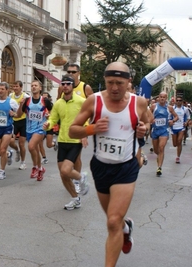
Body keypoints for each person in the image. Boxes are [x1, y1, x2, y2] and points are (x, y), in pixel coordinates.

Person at [69, 62, 150, 267]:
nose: (114, 87)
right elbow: (73, 130)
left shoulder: (138, 103)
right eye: (110, 82)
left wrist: (144, 128)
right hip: (101, 166)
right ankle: (126, 228)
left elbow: (149, 121)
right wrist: (92, 129)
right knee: (115, 220)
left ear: (128, 82)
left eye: (119, 83)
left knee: (112, 221)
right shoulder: (93, 101)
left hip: (126, 167)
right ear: (104, 81)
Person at [43, 75, 89, 210]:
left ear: (72, 86)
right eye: (63, 84)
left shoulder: (81, 101)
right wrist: (48, 124)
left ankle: (81, 177)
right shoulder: (58, 103)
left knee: (66, 169)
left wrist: (84, 132)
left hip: (75, 140)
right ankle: (75, 199)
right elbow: (53, 119)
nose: (65, 86)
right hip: (62, 140)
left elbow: (86, 118)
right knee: (63, 174)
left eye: (68, 84)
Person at [16, 80, 52, 181]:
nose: (33, 87)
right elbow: (19, 115)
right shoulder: (27, 101)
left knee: (31, 147)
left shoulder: (45, 101)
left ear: (40, 88)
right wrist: (20, 105)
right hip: (29, 129)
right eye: (32, 86)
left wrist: (49, 117)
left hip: (40, 129)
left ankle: (35, 167)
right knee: (34, 149)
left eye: (35, 85)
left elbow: (53, 113)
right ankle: (40, 168)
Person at [0, 81, 19, 179]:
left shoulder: (12, 102)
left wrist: (13, 114)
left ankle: (2, 172)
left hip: (7, 128)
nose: (0, 91)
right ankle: (9, 154)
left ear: (7, 90)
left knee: (2, 149)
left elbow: (18, 113)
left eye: (2, 89)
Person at [150, 91, 178, 176]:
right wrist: (151, 120)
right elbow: (147, 115)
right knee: (156, 150)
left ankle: (159, 168)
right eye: (160, 97)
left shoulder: (169, 108)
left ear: (166, 98)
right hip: (155, 130)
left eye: (164, 97)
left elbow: (176, 116)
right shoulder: (154, 106)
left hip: (164, 130)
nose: (162, 98)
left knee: (161, 147)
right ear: (158, 97)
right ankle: (159, 157)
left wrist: (172, 121)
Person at [8, 80, 29, 170]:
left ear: (21, 87)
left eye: (17, 86)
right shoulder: (10, 96)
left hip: (23, 121)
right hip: (13, 121)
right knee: (10, 141)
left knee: (21, 144)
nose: (15, 88)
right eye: (14, 86)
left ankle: (23, 162)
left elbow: (30, 107)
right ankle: (16, 151)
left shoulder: (26, 97)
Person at [39, 92, 56, 165]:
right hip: (41, 126)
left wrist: (49, 116)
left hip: (49, 126)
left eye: (46, 97)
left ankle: (54, 143)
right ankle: (44, 157)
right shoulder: (39, 105)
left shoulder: (51, 106)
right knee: (40, 143)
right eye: (43, 97)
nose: (44, 98)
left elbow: (54, 117)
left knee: (49, 145)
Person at [170, 97, 187, 163]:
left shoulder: (185, 109)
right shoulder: (172, 108)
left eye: (180, 100)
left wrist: (186, 122)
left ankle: (178, 157)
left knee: (179, 141)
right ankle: (177, 148)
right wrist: (170, 122)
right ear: (175, 101)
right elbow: (169, 117)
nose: (178, 101)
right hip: (174, 128)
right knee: (175, 144)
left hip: (181, 127)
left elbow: (188, 117)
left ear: (182, 101)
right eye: (177, 100)